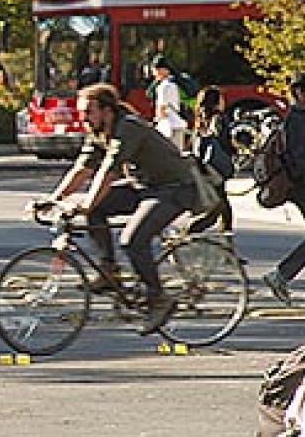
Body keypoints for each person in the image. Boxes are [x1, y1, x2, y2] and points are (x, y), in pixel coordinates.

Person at [41, 83, 196, 334]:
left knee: (132, 240)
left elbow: (109, 171)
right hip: (144, 187)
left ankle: (159, 299)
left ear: (107, 110)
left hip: (173, 188)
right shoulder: (100, 130)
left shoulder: (128, 127)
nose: (83, 120)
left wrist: (87, 202)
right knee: (96, 209)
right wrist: (53, 199)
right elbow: (83, 167)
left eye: (88, 113)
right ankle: (109, 271)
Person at [263, 71, 305, 308]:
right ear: (299, 92)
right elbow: (300, 157)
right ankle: (296, 283)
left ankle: (283, 276)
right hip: (302, 185)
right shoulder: (296, 120)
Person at [187, 86, 234, 234]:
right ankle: (192, 231)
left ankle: (224, 230)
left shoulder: (201, 119)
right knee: (219, 204)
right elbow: (223, 140)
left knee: (219, 200)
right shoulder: (219, 118)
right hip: (217, 166)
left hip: (205, 166)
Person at [150, 56, 189, 150]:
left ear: (162, 70)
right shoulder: (174, 84)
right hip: (178, 123)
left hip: (168, 126)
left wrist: (156, 122)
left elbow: (162, 109)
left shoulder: (163, 86)